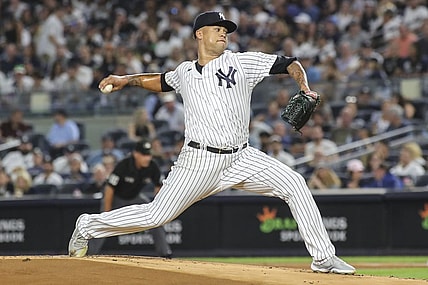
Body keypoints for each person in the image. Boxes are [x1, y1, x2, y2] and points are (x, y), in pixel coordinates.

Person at [69, 11, 355, 274]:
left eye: (225, 30)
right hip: (199, 161)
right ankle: (87, 225)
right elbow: (160, 81)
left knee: (294, 183)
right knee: (156, 215)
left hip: (242, 157)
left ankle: (323, 257)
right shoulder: (184, 72)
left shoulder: (241, 62)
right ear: (199, 34)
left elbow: (289, 63)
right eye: (216, 28)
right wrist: (126, 79)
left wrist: (303, 86)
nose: (223, 34)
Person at [86, 140, 172, 258]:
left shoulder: (152, 166)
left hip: (135, 198)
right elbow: (110, 189)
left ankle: (165, 253)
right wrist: (106, 211)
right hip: (116, 198)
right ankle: (88, 253)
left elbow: (159, 186)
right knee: (103, 224)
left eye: (148, 154)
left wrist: (158, 205)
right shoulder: (124, 165)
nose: (147, 158)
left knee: (156, 219)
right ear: (136, 154)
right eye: (144, 155)